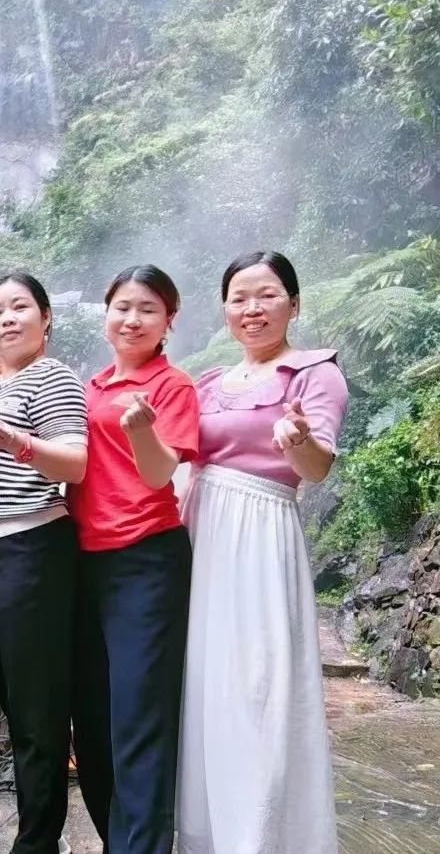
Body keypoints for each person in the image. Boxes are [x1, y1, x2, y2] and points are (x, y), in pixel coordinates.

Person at [177, 251, 346, 854]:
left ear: (293, 305)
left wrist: (297, 440)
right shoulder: (207, 384)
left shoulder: (314, 374)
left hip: (261, 533)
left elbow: (317, 467)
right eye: (239, 298)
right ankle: (208, 836)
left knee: (259, 684)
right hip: (202, 531)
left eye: (267, 295)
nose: (252, 308)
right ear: (225, 310)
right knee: (206, 682)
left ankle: (261, 838)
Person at [0, 272, 88, 854]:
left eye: (20, 306)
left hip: (31, 549)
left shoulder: (52, 376)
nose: (7, 318)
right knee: (16, 698)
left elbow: (74, 463)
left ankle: (37, 843)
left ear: (45, 317)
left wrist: (20, 445)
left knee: (36, 709)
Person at [68, 265, 199, 854]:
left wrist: (142, 428)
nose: (132, 319)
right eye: (122, 307)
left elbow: (158, 473)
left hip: (146, 562)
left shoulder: (172, 386)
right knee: (92, 722)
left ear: (169, 320)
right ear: (106, 314)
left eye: (148, 309)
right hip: (83, 563)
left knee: (139, 720)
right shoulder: (90, 385)